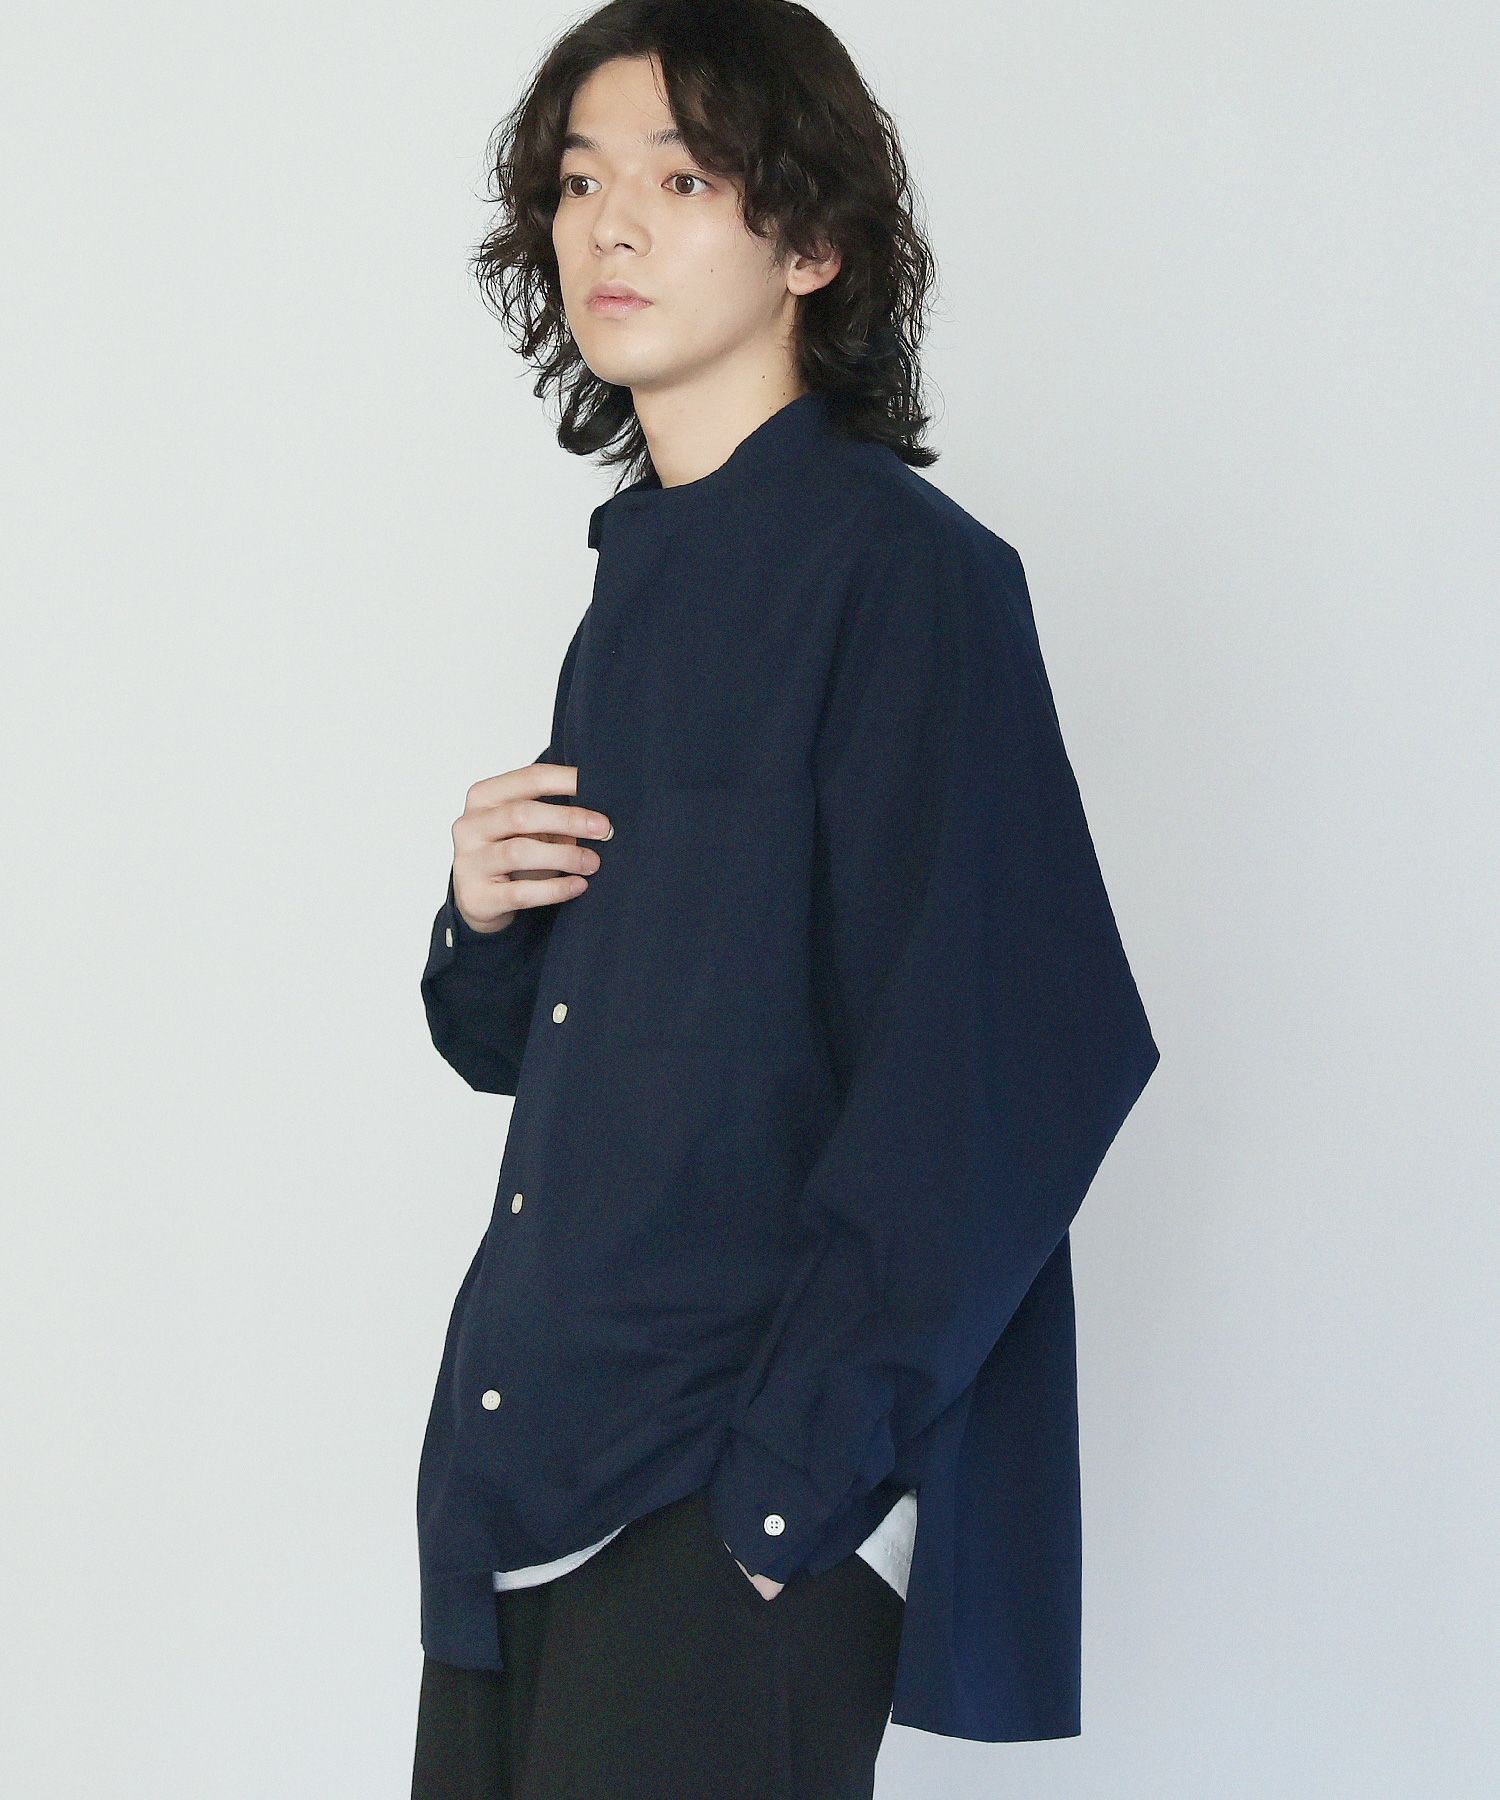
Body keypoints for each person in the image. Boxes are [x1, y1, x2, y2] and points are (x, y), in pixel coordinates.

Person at [410, 4, 1160, 1796]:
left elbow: (1019, 1058)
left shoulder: (906, 580)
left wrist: (784, 1495)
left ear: (811, 243)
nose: (609, 224)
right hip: (524, 1490)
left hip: (712, 1506)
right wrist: (482, 921)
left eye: (682, 180)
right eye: (578, 181)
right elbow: (578, 1053)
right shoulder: (638, 587)